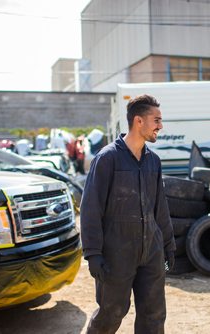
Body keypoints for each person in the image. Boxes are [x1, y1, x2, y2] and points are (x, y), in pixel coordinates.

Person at [80, 94, 176, 334]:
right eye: (157, 120)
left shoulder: (153, 161)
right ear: (139, 121)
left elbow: (159, 207)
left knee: (153, 315)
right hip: (117, 252)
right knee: (111, 314)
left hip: (151, 251)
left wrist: (168, 245)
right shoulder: (107, 158)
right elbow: (91, 207)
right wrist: (93, 253)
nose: (160, 126)